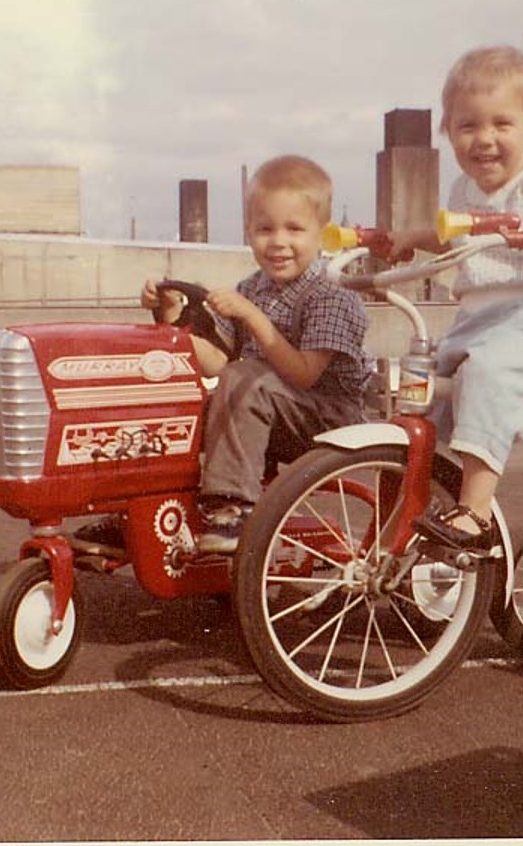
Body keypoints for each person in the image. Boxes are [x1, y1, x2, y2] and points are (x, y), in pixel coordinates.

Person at [71, 155, 372, 555]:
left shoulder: (332, 298)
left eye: (294, 229)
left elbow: (304, 376)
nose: (278, 241)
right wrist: (171, 316)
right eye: (265, 229)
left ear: (323, 234)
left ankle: (234, 509)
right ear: (248, 232)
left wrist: (252, 317)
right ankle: (142, 513)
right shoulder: (254, 288)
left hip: (327, 417)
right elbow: (218, 362)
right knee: (183, 407)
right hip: (264, 405)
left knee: (244, 379)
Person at [392, 45, 523, 555]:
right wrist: (404, 236)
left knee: (487, 373)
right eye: (467, 126)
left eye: (501, 124)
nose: (484, 139)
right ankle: (408, 511)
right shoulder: (464, 190)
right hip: (476, 320)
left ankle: (475, 514)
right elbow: (450, 236)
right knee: (413, 392)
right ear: (449, 133)